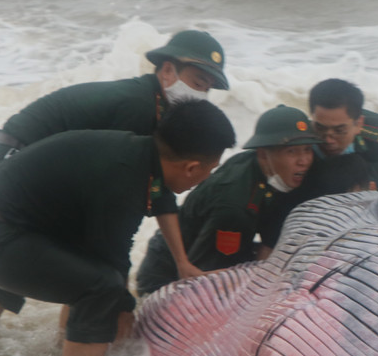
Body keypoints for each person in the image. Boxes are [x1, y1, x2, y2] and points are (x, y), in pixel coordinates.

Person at [0, 100, 236, 356]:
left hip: (8, 230)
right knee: (103, 289)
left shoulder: (141, 154)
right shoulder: (124, 176)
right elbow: (111, 258)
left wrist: (183, 264)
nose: (207, 178)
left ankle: (52, 352)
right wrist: (125, 310)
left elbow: (163, 202)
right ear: (191, 168)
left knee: (100, 284)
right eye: (210, 170)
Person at [0, 28, 229, 280]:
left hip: (27, 168)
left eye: (206, 89)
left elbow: (158, 189)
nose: (201, 95)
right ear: (166, 70)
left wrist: (182, 263)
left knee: (62, 255)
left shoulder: (158, 108)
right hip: (11, 158)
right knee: (74, 254)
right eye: (197, 83)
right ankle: (68, 318)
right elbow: (121, 188)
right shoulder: (139, 106)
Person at [135, 105, 322, 296]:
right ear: (264, 154)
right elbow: (204, 279)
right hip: (166, 279)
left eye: (307, 149)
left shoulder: (261, 169)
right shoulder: (234, 206)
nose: (304, 160)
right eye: (292, 152)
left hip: (203, 253)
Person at [308, 78, 378, 162]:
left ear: (358, 124)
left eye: (339, 130)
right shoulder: (301, 132)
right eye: (320, 128)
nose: (328, 141)